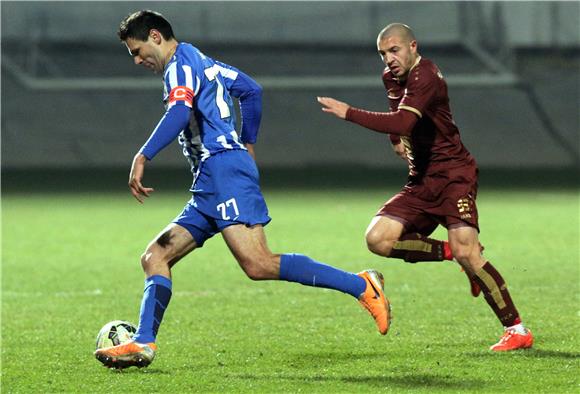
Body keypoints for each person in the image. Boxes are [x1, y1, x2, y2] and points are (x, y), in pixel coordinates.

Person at [95, 10, 391, 369]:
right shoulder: (203, 61)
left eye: (138, 51)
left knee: (258, 263)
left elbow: (177, 113)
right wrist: (248, 143)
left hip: (224, 171)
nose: (138, 60)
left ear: (156, 37)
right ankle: (143, 342)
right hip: (211, 179)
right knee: (155, 257)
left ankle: (362, 286)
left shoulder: (180, 65)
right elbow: (251, 90)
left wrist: (143, 155)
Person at [317, 23, 533, 352]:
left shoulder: (426, 75)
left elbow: (404, 121)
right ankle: (448, 252)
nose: (389, 59)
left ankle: (517, 330)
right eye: (383, 54)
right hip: (421, 180)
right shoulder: (391, 78)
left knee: (470, 255)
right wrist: (395, 140)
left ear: (413, 47)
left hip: (453, 176)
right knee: (378, 239)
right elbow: (397, 117)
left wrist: (349, 113)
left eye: (394, 50)